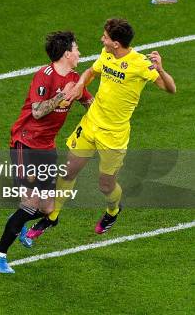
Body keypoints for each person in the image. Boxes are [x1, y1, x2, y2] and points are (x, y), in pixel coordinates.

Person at [27, 18, 176, 239]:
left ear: (116, 43)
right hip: (91, 124)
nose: (101, 39)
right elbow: (91, 71)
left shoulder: (140, 64)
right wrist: (79, 85)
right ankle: (52, 217)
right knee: (68, 171)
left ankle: (113, 211)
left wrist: (161, 70)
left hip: (114, 135)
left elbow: (170, 88)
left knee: (106, 186)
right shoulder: (106, 54)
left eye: (105, 37)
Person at [0, 31, 93, 274]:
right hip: (26, 143)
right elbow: (37, 111)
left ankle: (21, 222)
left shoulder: (76, 78)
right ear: (67, 54)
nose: (79, 53)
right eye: (77, 49)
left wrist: (110, 112)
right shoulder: (44, 76)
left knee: (47, 208)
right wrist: (61, 96)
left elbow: (89, 103)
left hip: (46, 146)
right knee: (30, 202)